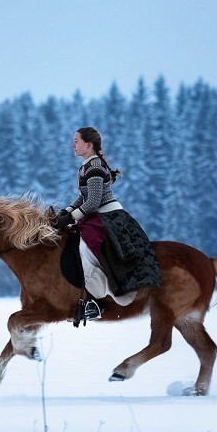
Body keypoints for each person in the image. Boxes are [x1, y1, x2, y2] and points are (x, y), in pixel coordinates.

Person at [54, 127, 161, 325]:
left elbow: (93, 201)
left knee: (85, 250)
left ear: (89, 144)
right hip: (98, 215)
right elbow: (83, 197)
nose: (73, 144)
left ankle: (95, 301)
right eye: (73, 141)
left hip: (107, 216)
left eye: (76, 141)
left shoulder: (95, 166)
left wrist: (71, 218)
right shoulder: (88, 165)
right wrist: (66, 211)